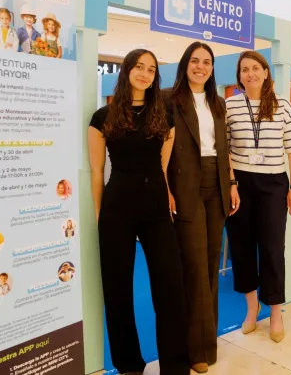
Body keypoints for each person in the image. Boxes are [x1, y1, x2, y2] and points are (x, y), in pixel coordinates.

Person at [88, 49, 189, 375]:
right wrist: (98, 213)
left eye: (151, 69)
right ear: (127, 70)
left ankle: (175, 366)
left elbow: (161, 167)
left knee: (170, 288)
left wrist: (167, 194)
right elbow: (96, 171)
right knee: (117, 291)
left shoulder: (165, 116)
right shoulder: (102, 117)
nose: (145, 74)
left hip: (156, 209)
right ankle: (129, 365)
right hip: (117, 208)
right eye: (139, 67)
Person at [164, 42, 239, 373]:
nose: (201, 67)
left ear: (212, 68)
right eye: (195, 61)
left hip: (217, 184)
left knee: (210, 267)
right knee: (193, 268)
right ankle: (194, 348)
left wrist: (233, 184)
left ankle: (208, 345)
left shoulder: (218, 102)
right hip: (185, 185)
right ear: (185, 65)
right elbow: (161, 149)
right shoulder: (168, 98)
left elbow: (224, 149)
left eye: (207, 62)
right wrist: (166, 190)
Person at [225, 50, 291, 344]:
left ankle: (275, 312)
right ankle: (251, 307)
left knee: (273, 249)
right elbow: (225, 150)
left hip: (274, 184)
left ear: (265, 72)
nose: (250, 74)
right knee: (242, 247)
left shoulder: (281, 104)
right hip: (240, 184)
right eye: (244, 69)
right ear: (239, 76)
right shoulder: (230, 106)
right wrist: (232, 183)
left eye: (255, 68)